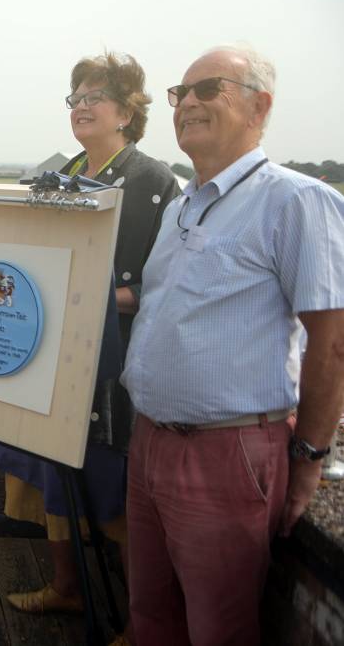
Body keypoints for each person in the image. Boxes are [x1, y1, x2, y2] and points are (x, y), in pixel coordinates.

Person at [122, 44, 344, 645]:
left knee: (217, 630)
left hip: (226, 455)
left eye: (208, 89)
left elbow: (331, 344)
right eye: (180, 93)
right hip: (150, 444)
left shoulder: (296, 200)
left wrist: (309, 459)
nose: (187, 103)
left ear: (259, 106)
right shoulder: (182, 206)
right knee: (149, 616)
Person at [0, 52, 178, 640]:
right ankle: (66, 588)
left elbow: (151, 284)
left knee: (117, 491)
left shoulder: (152, 178)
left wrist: (85, 294)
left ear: (128, 112)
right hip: (54, 351)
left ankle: (140, 622)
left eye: (94, 97)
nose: (80, 106)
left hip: (111, 358)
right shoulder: (64, 169)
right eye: (74, 97)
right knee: (53, 466)